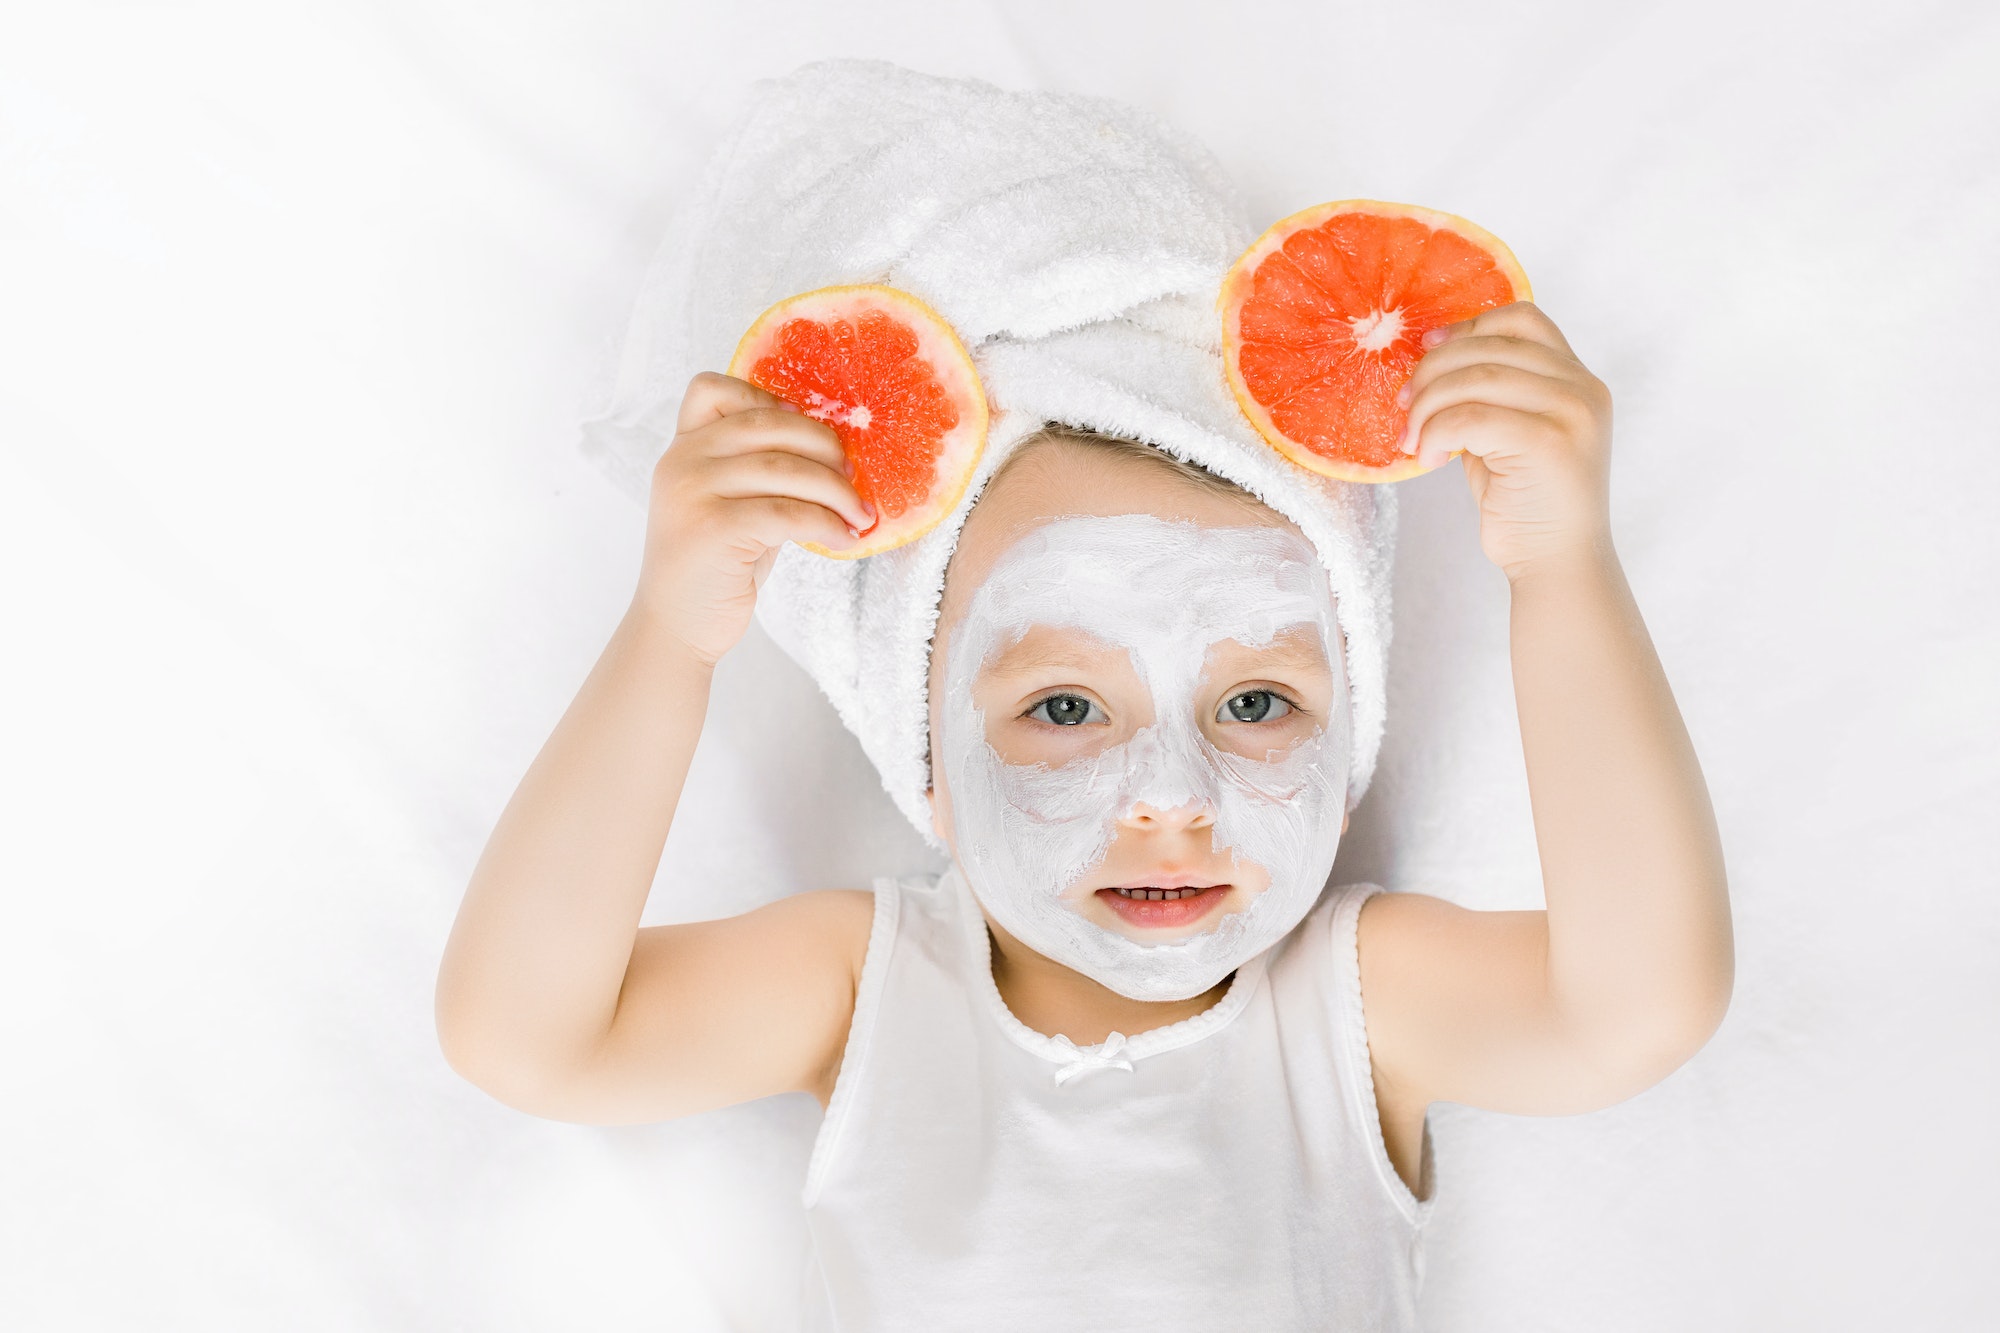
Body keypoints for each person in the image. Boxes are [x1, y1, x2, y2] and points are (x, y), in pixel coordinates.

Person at [435, 62, 1731, 1332]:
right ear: (923, 763)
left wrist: (1561, 566)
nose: (1170, 798)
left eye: (1258, 704)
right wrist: (672, 633)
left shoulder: (1343, 1011)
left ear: (1349, 763)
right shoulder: (877, 992)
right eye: (1063, 709)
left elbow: (1638, 1003)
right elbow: (527, 1036)